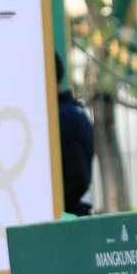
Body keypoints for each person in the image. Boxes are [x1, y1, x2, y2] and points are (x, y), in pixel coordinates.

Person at [55, 51, 95, 216]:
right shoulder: (76, 111)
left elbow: (78, 179)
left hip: (71, 216)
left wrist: (52, 205)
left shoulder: (63, 117)